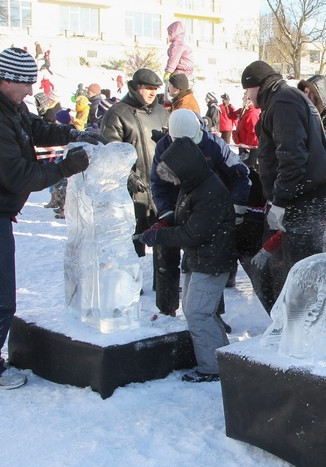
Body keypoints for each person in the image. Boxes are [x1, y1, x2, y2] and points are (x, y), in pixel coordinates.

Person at [0, 47, 106, 389]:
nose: (31, 92)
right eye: (27, 85)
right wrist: (67, 167)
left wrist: (71, 134)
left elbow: (30, 127)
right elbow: (21, 177)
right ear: (7, 80)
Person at [135, 137, 235, 382]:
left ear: (185, 168)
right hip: (199, 259)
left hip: (212, 261)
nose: (174, 180)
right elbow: (185, 221)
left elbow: (193, 233)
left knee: (199, 313)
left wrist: (159, 235)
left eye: (174, 174)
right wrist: (164, 222)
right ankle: (221, 359)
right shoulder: (192, 186)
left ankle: (213, 368)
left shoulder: (209, 191)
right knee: (197, 312)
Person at [150, 109, 249, 318]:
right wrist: (166, 213)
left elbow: (239, 172)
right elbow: (158, 184)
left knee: (207, 261)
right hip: (176, 206)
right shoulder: (163, 147)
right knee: (166, 253)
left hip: (208, 207)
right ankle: (166, 311)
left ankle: (213, 313)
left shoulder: (214, 144)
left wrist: (237, 203)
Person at [241, 60, 326, 279]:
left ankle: (301, 312)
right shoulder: (289, 97)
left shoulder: (283, 102)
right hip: (305, 198)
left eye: (247, 90)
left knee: (301, 271)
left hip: (301, 201)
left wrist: (280, 201)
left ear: (257, 85)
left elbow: (292, 157)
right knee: (301, 268)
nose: (248, 97)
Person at [100, 68, 169, 259]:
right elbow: (110, 151)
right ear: (136, 87)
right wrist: (128, 176)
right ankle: (131, 286)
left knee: (164, 244)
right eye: (148, 88)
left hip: (161, 187)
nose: (152, 92)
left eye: (155, 88)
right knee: (131, 244)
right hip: (131, 190)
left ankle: (164, 287)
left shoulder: (163, 113)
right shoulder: (117, 113)